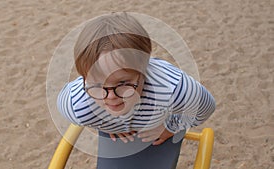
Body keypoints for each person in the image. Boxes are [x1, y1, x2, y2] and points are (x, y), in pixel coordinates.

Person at [57, 12, 215, 169]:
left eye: (123, 83)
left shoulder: (173, 89)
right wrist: (107, 125)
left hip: (159, 123)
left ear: (144, 71)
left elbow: (205, 108)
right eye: (97, 85)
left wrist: (170, 127)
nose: (110, 97)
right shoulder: (76, 105)